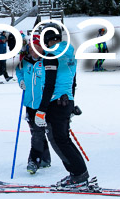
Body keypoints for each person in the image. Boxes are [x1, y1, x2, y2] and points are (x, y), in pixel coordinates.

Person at [32, 23, 94, 190]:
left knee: (59, 141)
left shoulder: (51, 55)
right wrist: (71, 103)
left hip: (56, 103)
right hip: (66, 101)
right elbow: (73, 81)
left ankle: (78, 175)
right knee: (64, 140)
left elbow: (50, 84)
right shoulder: (69, 53)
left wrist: (41, 110)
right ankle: (78, 173)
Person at [16, 35, 51, 174]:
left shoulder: (48, 61)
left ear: (41, 48)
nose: (32, 50)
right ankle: (45, 159)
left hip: (43, 104)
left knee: (37, 133)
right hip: (29, 103)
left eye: (35, 47)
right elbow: (19, 71)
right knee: (36, 132)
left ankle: (34, 160)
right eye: (30, 47)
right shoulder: (26, 61)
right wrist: (21, 81)